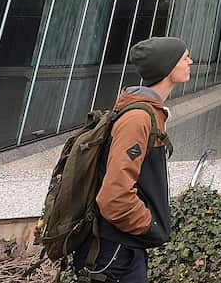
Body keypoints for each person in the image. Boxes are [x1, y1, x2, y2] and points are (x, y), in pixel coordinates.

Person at [77, 37, 192, 282]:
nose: (190, 62)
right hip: (112, 251)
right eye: (184, 58)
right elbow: (114, 197)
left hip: (122, 247)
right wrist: (150, 225)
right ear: (168, 67)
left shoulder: (148, 112)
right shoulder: (138, 119)